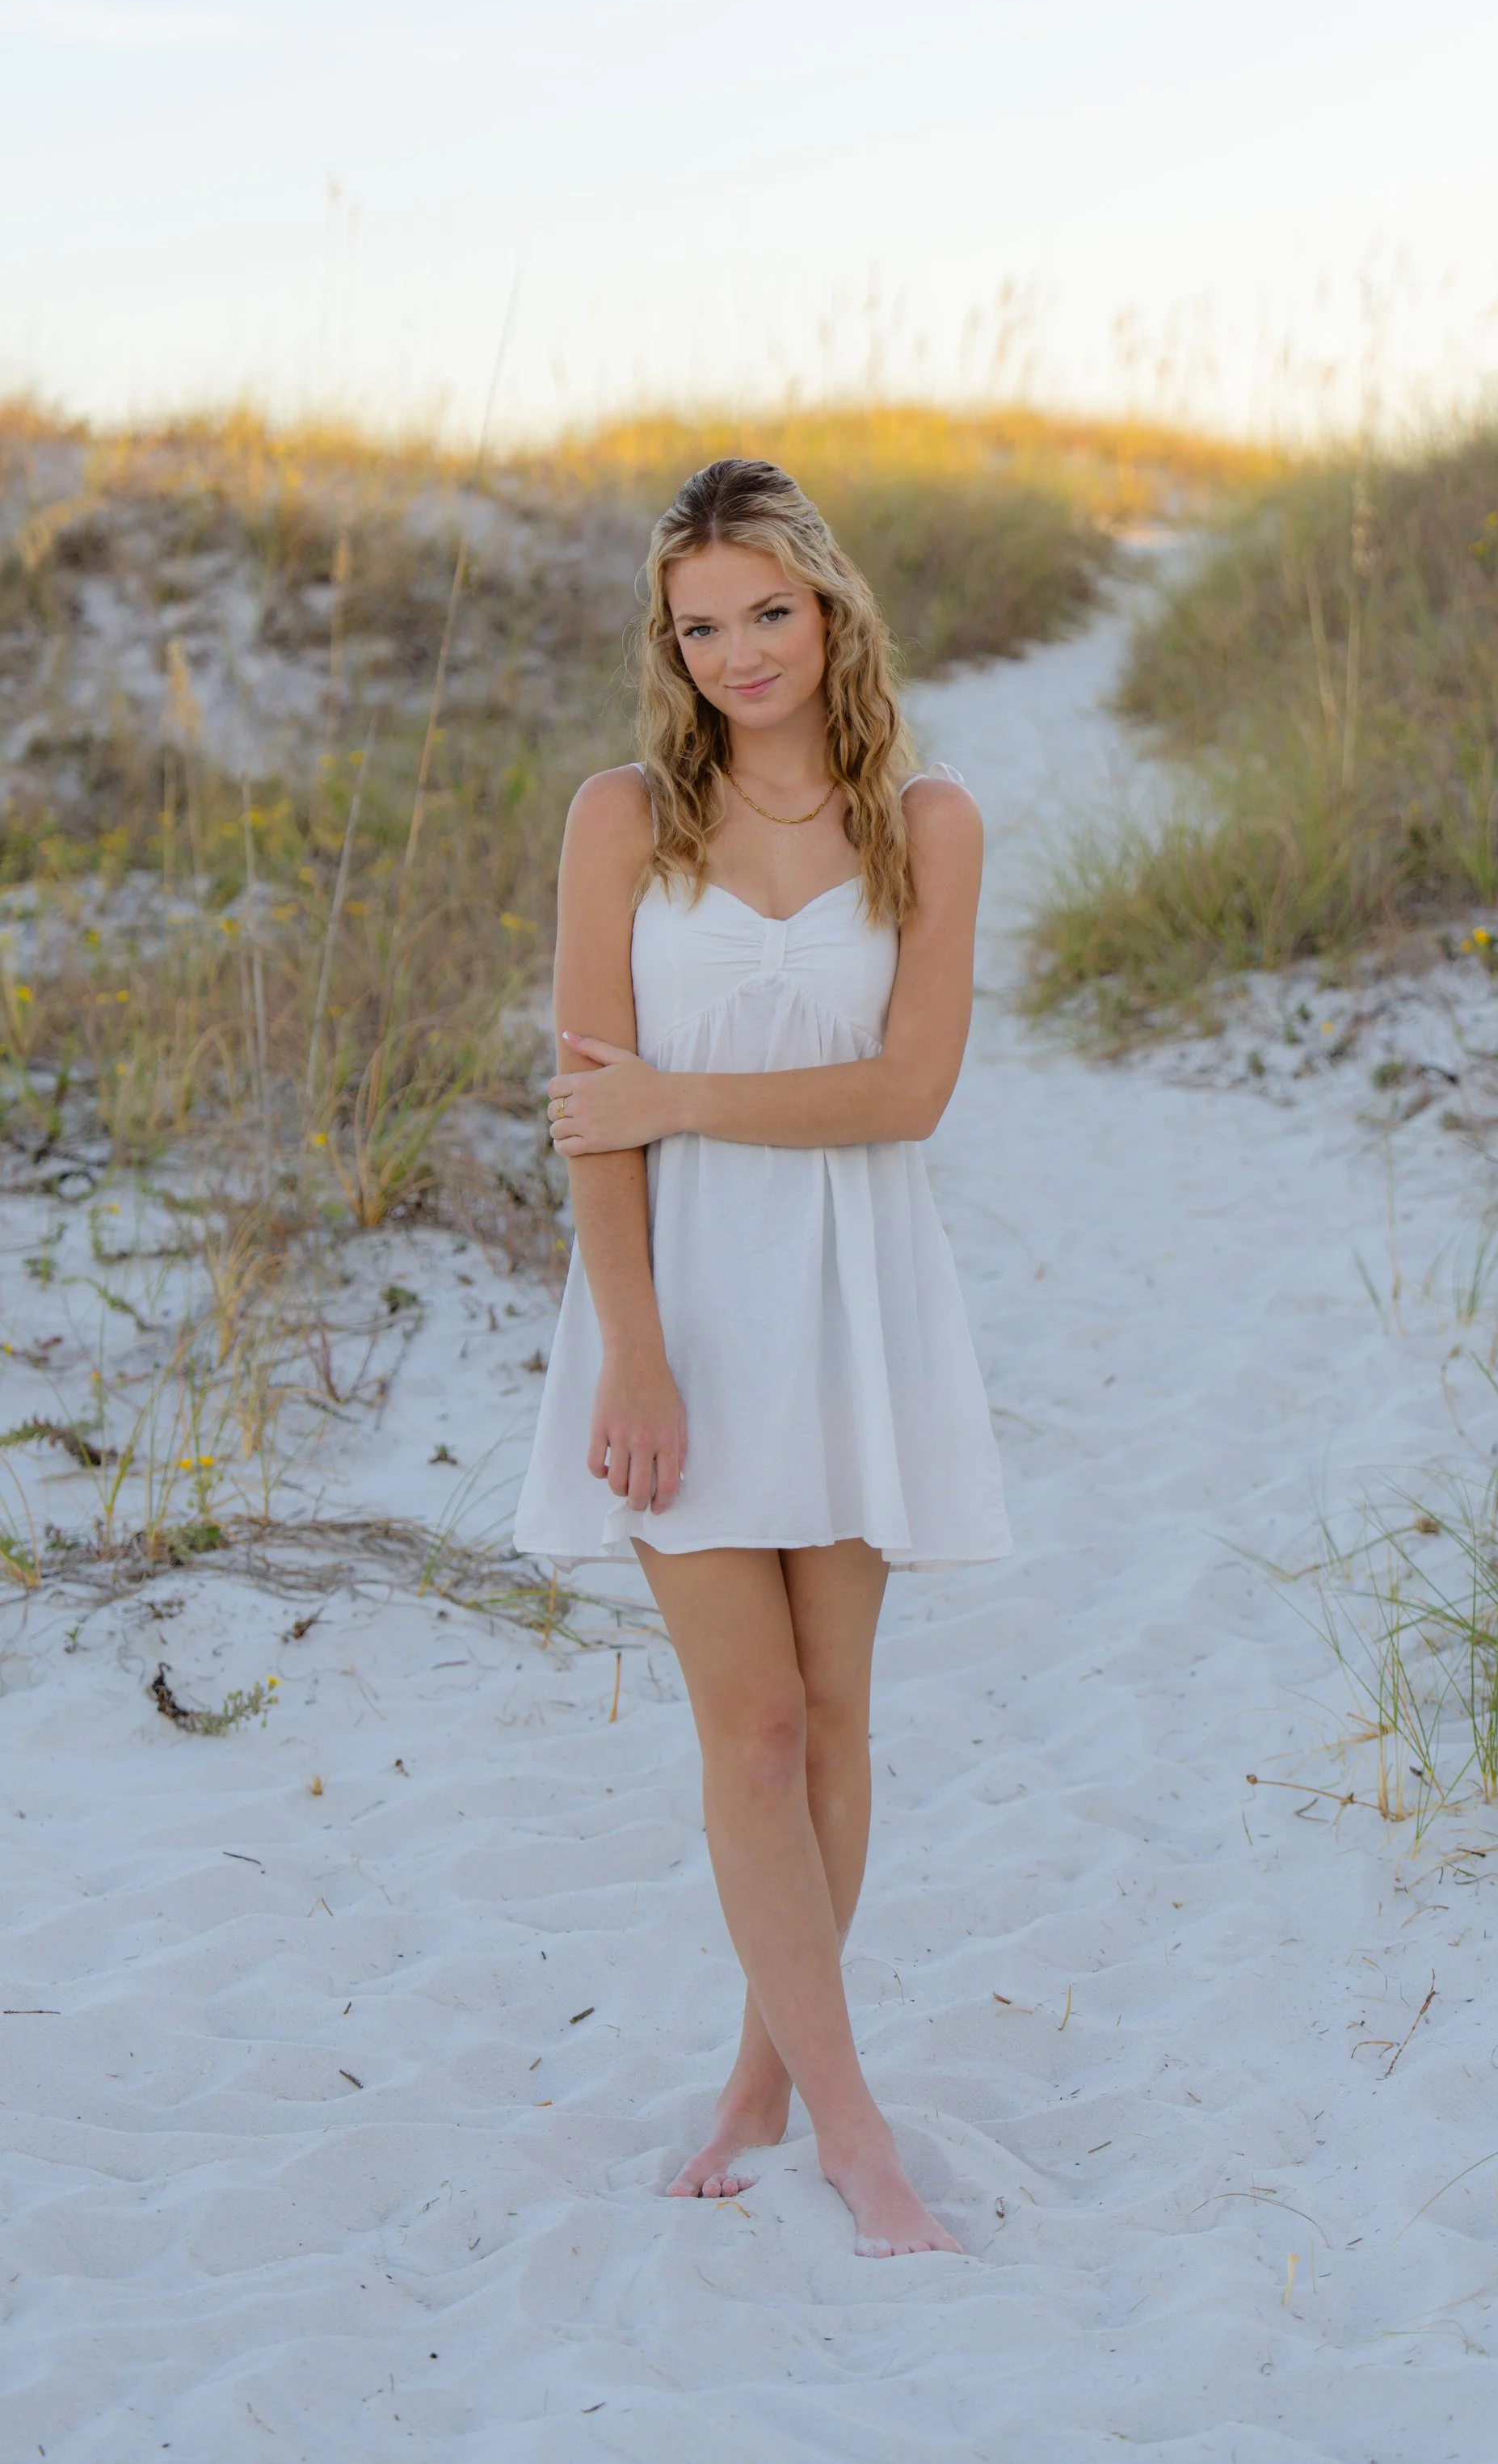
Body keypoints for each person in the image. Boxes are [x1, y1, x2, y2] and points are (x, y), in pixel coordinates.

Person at [511, 457, 1009, 2260]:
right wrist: (629, 1355)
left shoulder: (926, 822)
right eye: (698, 624)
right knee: (755, 1726)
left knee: (838, 1726)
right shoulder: (620, 817)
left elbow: (908, 1092)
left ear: (831, 610)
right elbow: (591, 1122)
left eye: (767, 612)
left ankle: (758, 2075)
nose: (736, 653)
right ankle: (853, 2126)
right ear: (671, 642)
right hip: (682, 1315)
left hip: (856, 1303)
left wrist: (679, 1092)